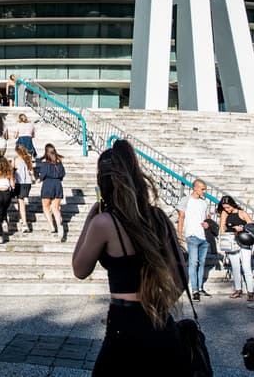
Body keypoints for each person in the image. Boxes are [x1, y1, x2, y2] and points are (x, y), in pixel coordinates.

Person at [72, 139, 189, 375]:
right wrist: (157, 305)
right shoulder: (158, 218)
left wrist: (91, 217)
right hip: (160, 322)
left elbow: (80, 269)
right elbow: (181, 278)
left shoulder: (104, 223)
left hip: (124, 322)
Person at [177, 179, 212, 301]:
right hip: (192, 235)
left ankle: (200, 287)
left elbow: (207, 217)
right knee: (193, 262)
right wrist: (180, 234)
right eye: (202, 189)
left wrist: (208, 224)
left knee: (201, 262)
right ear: (195, 188)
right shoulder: (186, 200)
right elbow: (181, 217)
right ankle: (195, 289)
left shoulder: (204, 203)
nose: (204, 191)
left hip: (204, 236)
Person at [217, 194, 254, 301]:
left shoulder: (241, 212)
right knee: (235, 267)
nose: (227, 209)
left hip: (243, 241)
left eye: (228, 207)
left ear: (232, 204)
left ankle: (250, 291)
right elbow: (222, 227)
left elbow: (252, 225)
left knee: (246, 267)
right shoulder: (224, 213)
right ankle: (238, 289)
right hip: (231, 242)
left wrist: (242, 227)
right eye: (225, 207)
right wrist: (223, 241)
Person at [38, 143, 66, 241]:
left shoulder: (45, 163)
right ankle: (59, 226)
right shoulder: (59, 163)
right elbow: (62, 175)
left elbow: (42, 175)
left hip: (47, 185)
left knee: (46, 206)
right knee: (55, 208)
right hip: (57, 185)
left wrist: (39, 180)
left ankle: (52, 226)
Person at [13, 144, 34, 233]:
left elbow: (12, 169)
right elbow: (32, 172)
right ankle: (21, 217)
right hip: (28, 183)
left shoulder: (16, 160)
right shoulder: (28, 159)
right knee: (20, 201)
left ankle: (24, 223)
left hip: (19, 182)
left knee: (21, 202)